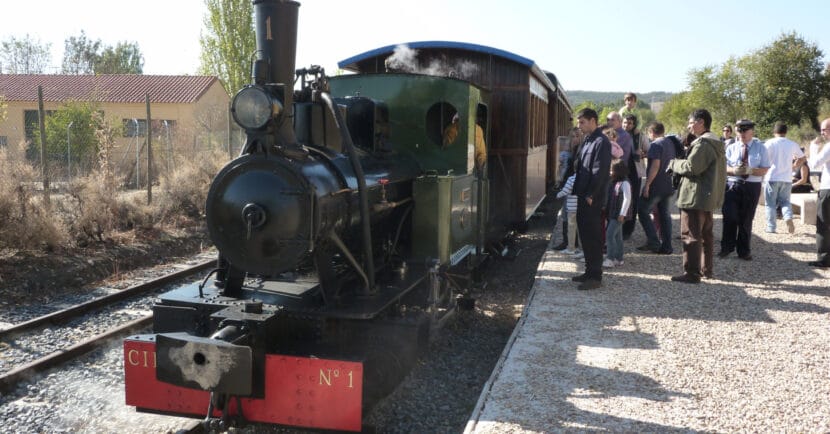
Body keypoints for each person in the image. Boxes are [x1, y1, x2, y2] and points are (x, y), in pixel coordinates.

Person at [666, 109, 726, 283]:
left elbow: (692, 167)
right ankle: (706, 269)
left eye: (691, 122)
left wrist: (674, 163)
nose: (689, 125)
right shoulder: (715, 142)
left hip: (695, 196)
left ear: (701, 122)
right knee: (706, 234)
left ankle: (692, 273)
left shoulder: (703, 144)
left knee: (691, 234)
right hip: (706, 196)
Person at [571, 108, 612, 290]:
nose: (579, 126)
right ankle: (589, 271)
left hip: (591, 197)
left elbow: (600, 171)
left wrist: (591, 194)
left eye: (582, 122)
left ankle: (595, 275)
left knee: (593, 236)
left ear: (593, 120)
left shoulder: (601, 142)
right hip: (582, 194)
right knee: (585, 235)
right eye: (578, 122)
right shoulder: (588, 140)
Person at [719, 119, 770, 260]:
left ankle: (744, 251)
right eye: (739, 131)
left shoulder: (761, 148)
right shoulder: (731, 148)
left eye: (745, 131)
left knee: (746, 219)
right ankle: (726, 247)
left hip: (751, 186)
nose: (742, 134)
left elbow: (765, 169)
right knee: (729, 217)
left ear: (752, 131)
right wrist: (734, 170)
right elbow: (724, 168)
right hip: (733, 185)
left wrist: (751, 170)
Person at [636, 121, 675, 254]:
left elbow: (655, 166)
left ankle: (653, 242)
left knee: (642, 210)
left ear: (651, 132)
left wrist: (647, 185)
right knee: (664, 215)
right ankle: (667, 246)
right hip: (668, 184)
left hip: (656, 185)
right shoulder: (669, 143)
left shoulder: (655, 145)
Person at [762, 122, 806, 234]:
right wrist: (795, 165)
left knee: (770, 203)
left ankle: (771, 227)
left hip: (772, 176)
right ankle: (788, 217)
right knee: (785, 201)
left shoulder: (769, 143)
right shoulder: (792, 144)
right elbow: (802, 157)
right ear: (786, 132)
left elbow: (762, 158)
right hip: (787, 177)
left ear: (774, 132)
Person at [553, 127, 583, 251]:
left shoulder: (580, 151)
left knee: (569, 214)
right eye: (573, 136)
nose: (575, 139)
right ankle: (568, 241)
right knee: (567, 214)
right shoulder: (569, 153)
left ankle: (570, 242)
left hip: (574, 185)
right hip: (568, 183)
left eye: (577, 136)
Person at [807, 118, 830, 268]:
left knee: (823, 224)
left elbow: (815, 164)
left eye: (824, 129)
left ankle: (824, 258)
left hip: (828, 189)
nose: (822, 133)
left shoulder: (828, 146)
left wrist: (813, 149)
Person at [622, 114, 649, 239]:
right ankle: (619, 226)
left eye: (630, 123)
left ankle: (628, 229)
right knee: (619, 199)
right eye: (625, 122)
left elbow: (649, 151)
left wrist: (641, 153)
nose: (627, 125)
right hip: (620, 171)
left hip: (634, 172)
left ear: (634, 124)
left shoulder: (640, 136)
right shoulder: (618, 134)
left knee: (632, 200)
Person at [604, 160, 632, 268]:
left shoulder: (625, 183)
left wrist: (622, 213)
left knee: (609, 235)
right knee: (618, 237)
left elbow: (627, 199)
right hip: (614, 213)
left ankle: (610, 258)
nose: (610, 173)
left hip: (619, 215)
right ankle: (619, 258)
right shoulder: (616, 182)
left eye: (612, 170)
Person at [556, 173, 580, 255]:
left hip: (572, 208)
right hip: (581, 208)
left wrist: (558, 195)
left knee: (571, 229)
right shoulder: (584, 177)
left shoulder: (571, 179)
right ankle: (581, 248)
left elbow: (565, 191)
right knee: (580, 230)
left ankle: (571, 248)